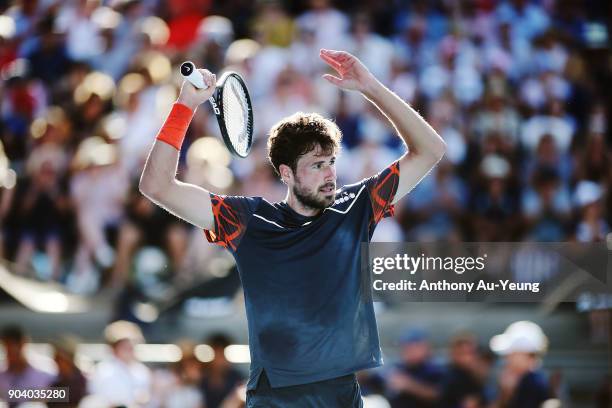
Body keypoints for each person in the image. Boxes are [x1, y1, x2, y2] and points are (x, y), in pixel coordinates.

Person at [139, 49, 446, 406]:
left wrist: (372, 88)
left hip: (342, 396)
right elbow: (157, 186)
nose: (330, 174)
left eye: (331, 162)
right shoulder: (248, 220)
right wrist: (186, 106)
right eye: (317, 165)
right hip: (275, 399)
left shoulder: (356, 207)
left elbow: (430, 150)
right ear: (286, 173)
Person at [0, 325, 55, 407]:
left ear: (23, 343)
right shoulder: (2, 377)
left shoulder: (44, 377)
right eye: (6, 346)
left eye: (13, 345)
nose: (10, 351)